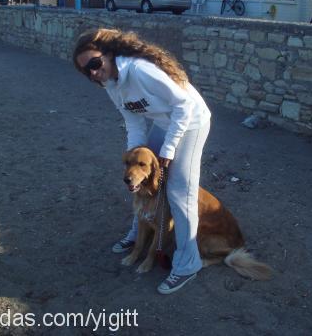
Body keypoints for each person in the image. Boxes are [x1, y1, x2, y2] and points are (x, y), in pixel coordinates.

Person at [73, 28, 211, 294]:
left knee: (178, 192)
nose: (92, 73)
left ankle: (187, 264)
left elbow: (184, 105)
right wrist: (132, 158)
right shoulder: (110, 84)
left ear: (110, 55)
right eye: (85, 71)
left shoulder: (139, 71)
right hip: (165, 121)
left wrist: (168, 151)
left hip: (191, 121)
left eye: (94, 63)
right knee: (142, 181)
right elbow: (133, 121)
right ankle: (138, 234)